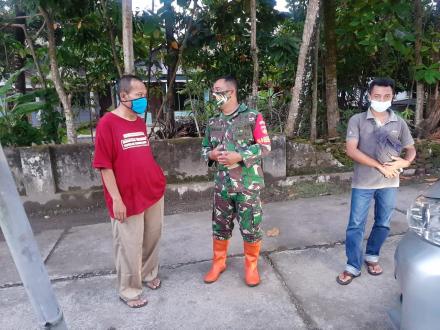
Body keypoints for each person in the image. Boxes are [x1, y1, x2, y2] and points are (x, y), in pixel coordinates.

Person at [93, 75, 166, 307]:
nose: (143, 100)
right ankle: (129, 290)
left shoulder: (138, 121)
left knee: (152, 237)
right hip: (126, 197)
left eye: (144, 95)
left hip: (151, 190)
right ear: (123, 96)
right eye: (139, 95)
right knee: (129, 245)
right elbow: (104, 165)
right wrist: (116, 199)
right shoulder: (107, 123)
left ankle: (148, 273)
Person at [337, 78, 416, 285]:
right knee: (355, 225)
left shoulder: (399, 122)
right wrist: (380, 166)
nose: (382, 99)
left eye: (387, 96)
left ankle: (372, 256)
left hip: (390, 184)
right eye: (377, 96)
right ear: (370, 96)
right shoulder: (358, 120)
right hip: (363, 183)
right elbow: (351, 150)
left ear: (392, 97)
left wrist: (405, 162)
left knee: (383, 223)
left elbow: (411, 148)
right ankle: (352, 266)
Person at [201, 76, 271, 287]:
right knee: (220, 226)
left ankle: (251, 266)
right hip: (222, 186)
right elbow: (204, 149)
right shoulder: (213, 121)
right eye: (213, 91)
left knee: (251, 227)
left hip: (247, 185)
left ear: (230, 92)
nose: (214, 95)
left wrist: (239, 156)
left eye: (218, 90)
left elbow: (265, 146)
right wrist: (211, 154)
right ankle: (218, 263)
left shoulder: (252, 117)